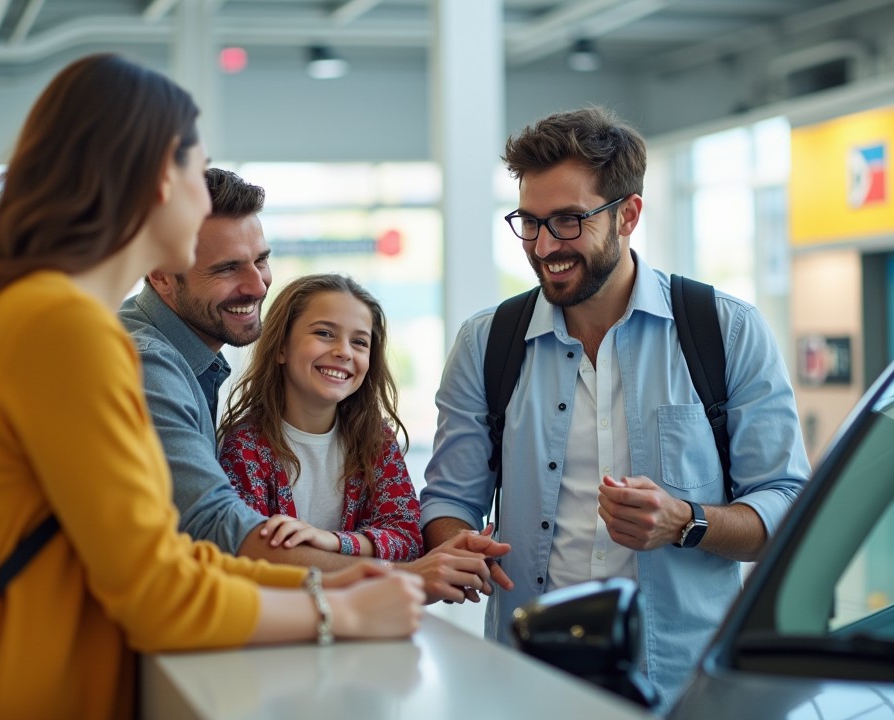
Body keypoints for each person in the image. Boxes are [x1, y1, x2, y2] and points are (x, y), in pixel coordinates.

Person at [0, 54, 423, 720]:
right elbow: (158, 593)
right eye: (198, 167)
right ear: (157, 182)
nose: (207, 190)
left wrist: (336, 582)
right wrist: (337, 610)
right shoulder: (65, 329)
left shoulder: (33, 314)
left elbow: (163, 555)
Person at [419, 105, 810, 709]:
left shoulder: (726, 332)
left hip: (682, 686)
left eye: (569, 221)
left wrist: (686, 521)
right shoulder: (486, 343)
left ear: (628, 214)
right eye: (531, 222)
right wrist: (456, 544)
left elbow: (786, 507)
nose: (545, 245)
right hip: (530, 681)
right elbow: (449, 500)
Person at [120, 170, 511, 604]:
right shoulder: (147, 363)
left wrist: (349, 547)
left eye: (261, 260)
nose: (257, 285)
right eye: (228, 268)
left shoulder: (193, 362)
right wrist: (409, 577)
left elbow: (404, 528)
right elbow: (219, 531)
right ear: (160, 275)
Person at [219, 273, 422, 561]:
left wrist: (332, 541)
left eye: (360, 342)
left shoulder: (376, 438)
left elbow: (409, 538)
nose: (344, 352)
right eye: (324, 333)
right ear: (280, 347)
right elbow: (253, 551)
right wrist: (361, 549)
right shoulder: (245, 446)